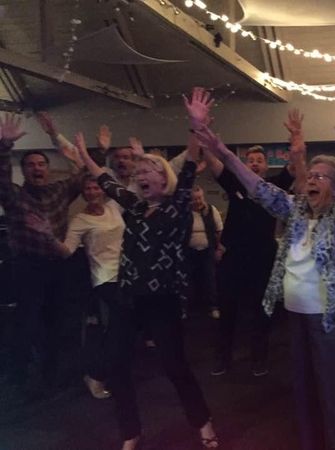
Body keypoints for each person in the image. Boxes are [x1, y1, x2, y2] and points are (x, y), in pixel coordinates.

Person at [192, 107, 335, 450]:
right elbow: (256, 186)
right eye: (311, 175)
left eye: (322, 177)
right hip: (298, 315)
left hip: (334, 318)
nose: (313, 179)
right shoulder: (295, 209)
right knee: (305, 391)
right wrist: (222, 150)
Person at [74, 124, 218, 449]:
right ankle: (131, 431)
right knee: (116, 365)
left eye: (148, 169)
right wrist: (84, 155)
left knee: (175, 366)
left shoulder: (177, 205)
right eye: (138, 171)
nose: (140, 174)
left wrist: (195, 125)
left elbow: (190, 163)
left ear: (164, 178)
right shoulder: (135, 207)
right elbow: (106, 180)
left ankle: (202, 421)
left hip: (162, 300)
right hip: (128, 298)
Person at [184, 88, 295, 377]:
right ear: (245, 164)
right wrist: (200, 128)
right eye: (250, 160)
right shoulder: (234, 182)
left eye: (259, 160)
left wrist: (296, 139)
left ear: (266, 166)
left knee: (261, 311)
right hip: (233, 257)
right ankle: (223, 358)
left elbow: (296, 166)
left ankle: (259, 358)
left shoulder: (276, 187)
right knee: (228, 310)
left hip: (263, 257)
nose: (254, 163)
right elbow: (213, 161)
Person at [0, 112, 85, 388]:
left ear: (47, 169)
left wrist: (56, 135)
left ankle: (50, 374)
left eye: (41, 164)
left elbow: (83, 174)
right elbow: (1, 180)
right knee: (25, 323)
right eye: (30, 165)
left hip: (57, 266)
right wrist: (5, 146)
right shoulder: (14, 195)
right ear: (24, 170)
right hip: (27, 267)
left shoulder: (60, 191)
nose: (36, 168)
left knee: (55, 322)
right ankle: (18, 377)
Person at [25, 175, 125, 400]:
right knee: (116, 328)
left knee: (122, 328)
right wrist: (48, 234)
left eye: (96, 187)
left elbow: (132, 187)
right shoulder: (80, 220)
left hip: (126, 275)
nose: (92, 192)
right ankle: (95, 375)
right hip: (105, 278)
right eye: (87, 189)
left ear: (103, 190)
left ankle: (111, 372)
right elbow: (67, 251)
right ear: (83, 193)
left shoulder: (114, 207)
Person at [187, 185, 224, 318]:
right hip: (189, 251)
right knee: (188, 280)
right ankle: (187, 308)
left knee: (210, 278)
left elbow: (219, 231)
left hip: (208, 250)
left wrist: (219, 249)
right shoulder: (185, 212)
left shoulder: (211, 210)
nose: (198, 201)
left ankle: (213, 306)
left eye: (200, 198)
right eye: (195, 199)